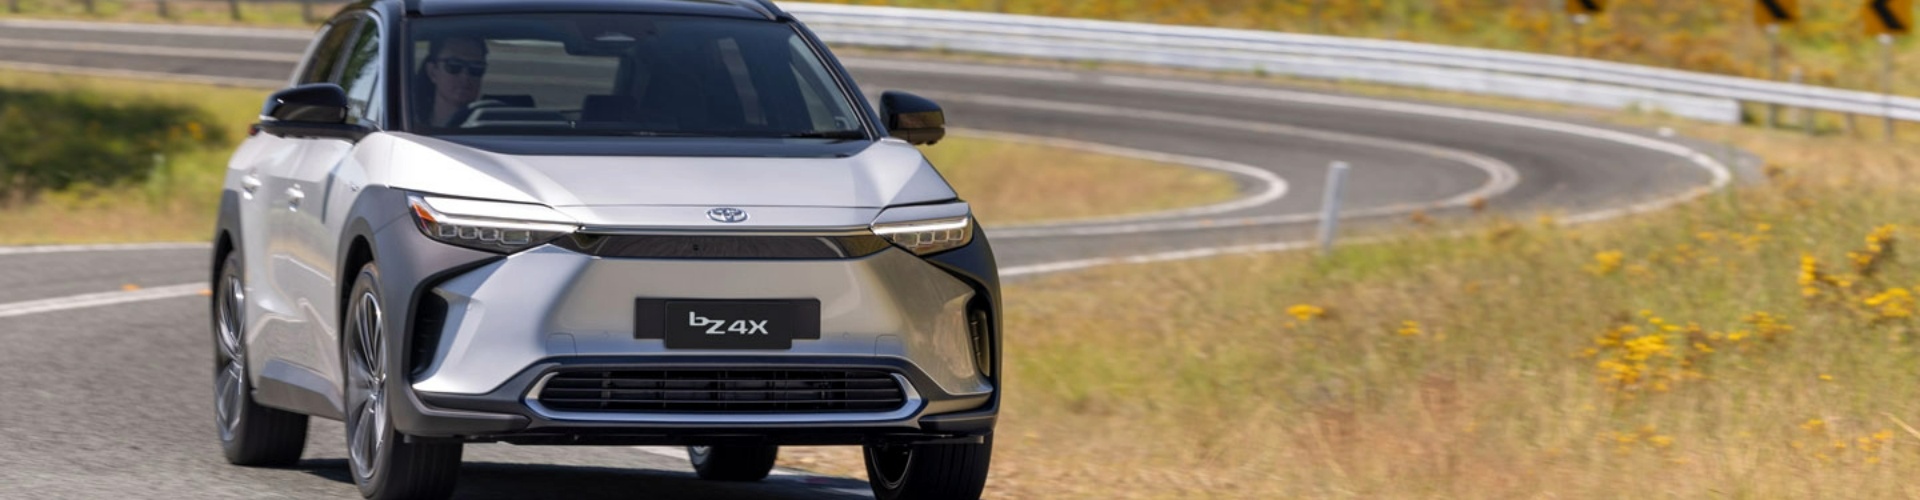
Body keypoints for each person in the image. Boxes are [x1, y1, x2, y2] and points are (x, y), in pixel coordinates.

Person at [413, 37, 489, 127]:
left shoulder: (495, 128)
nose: (465, 76)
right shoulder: (407, 128)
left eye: (476, 68)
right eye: (454, 65)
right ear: (432, 72)